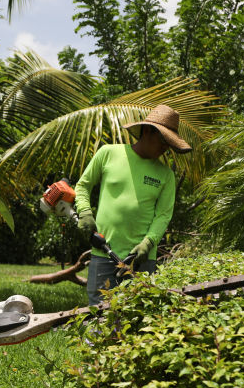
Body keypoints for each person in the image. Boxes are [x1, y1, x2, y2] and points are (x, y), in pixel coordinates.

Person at [74, 104, 192, 305]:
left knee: (137, 314)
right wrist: (84, 210)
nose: (166, 148)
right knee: (99, 310)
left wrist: (148, 243)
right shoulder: (108, 153)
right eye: (163, 140)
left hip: (141, 259)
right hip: (104, 251)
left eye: (169, 144)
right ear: (147, 131)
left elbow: (163, 215)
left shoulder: (166, 175)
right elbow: (83, 186)